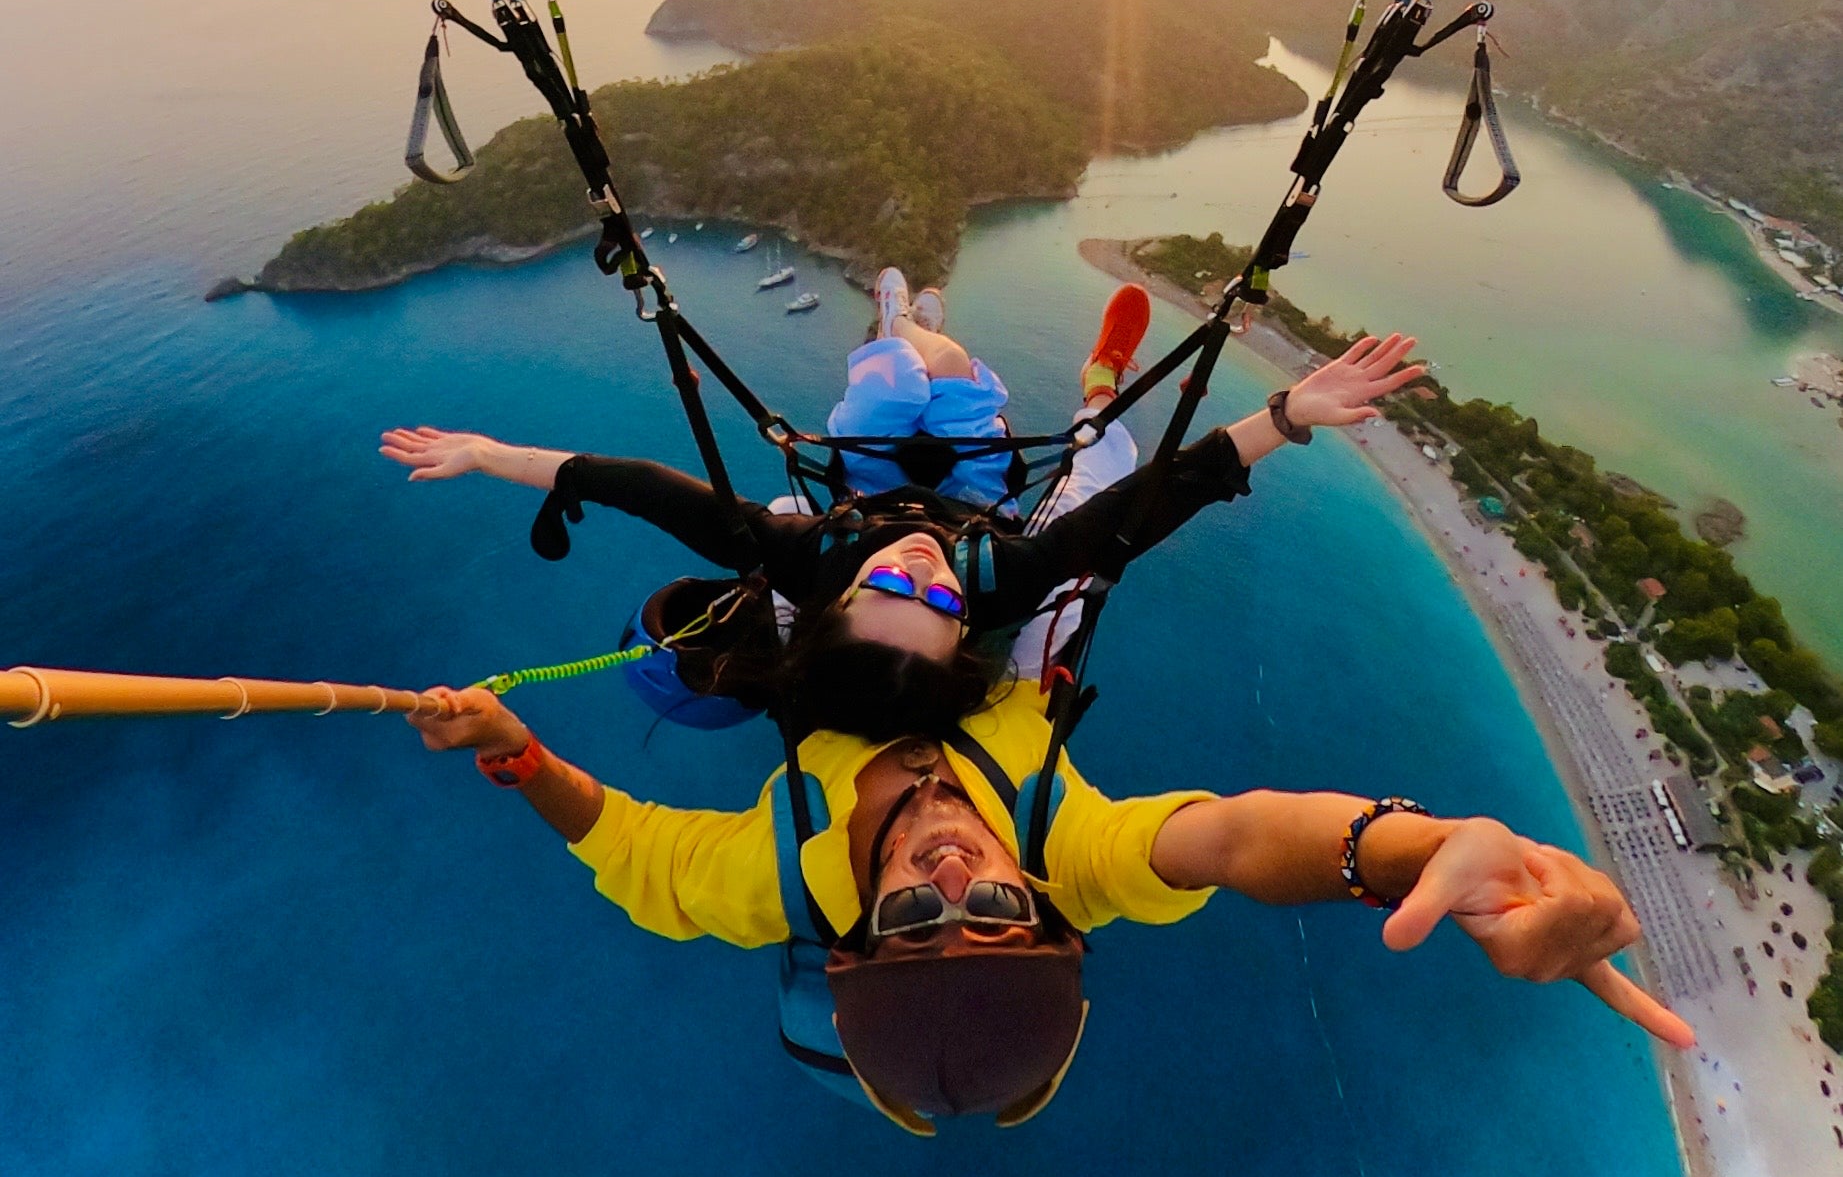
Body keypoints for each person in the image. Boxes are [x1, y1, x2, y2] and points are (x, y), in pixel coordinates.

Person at [407, 660, 1695, 1134]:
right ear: (1050, 909)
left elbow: (625, 846)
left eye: (915, 922)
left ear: (850, 940)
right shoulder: (1067, 851)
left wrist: (508, 748)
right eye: (1001, 914)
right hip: (993, 654)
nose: (958, 878)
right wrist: (1421, 854)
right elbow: (1241, 843)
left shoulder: (773, 879)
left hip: (840, 667)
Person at [381, 276, 1427, 735]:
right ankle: (1094, 372)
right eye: (929, 604)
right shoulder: (993, 580)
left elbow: (651, 492)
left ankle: (897, 321)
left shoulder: (806, 559)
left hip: (862, 484)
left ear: (838, 600)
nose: (919, 572)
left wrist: (490, 452)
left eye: (888, 584)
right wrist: (1285, 414)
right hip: (982, 494)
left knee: (890, 387)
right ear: (958, 626)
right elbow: (1146, 512)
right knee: (1075, 442)